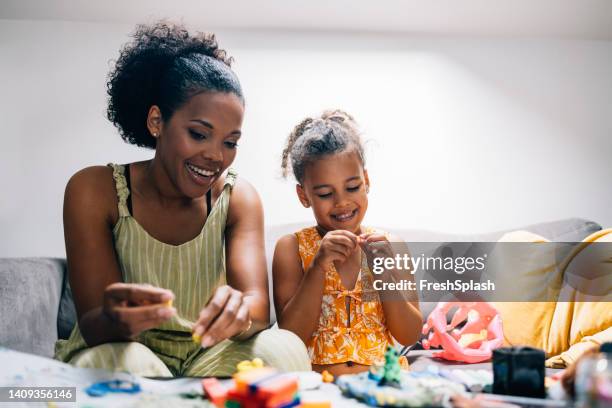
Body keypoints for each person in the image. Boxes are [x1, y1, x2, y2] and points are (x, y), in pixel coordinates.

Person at [54, 21, 310, 377]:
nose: (216, 156)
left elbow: (257, 310)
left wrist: (241, 313)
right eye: (199, 134)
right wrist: (114, 317)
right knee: (124, 365)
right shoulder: (94, 191)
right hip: (124, 348)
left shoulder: (238, 197)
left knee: (285, 351)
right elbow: (95, 324)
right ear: (157, 121)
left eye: (230, 142)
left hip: (206, 356)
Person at [273, 110, 422, 376]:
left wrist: (384, 275)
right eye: (325, 193)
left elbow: (410, 334)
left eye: (352, 187)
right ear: (303, 195)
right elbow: (290, 338)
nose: (342, 202)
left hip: (384, 383)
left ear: (366, 181)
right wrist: (318, 266)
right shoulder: (291, 248)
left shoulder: (392, 245)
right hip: (318, 387)